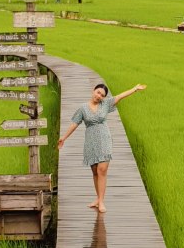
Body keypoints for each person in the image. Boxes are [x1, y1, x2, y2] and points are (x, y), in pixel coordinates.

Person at [58, 82, 146, 213]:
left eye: (102, 95)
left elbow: (120, 96)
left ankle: (101, 202)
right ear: (93, 91)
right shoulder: (83, 108)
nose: (99, 96)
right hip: (91, 141)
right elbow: (74, 123)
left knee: (102, 170)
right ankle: (98, 199)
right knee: (95, 171)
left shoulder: (105, 104)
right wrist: (64, 138)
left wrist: (135, 89)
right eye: (98, 92)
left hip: (104, 139)